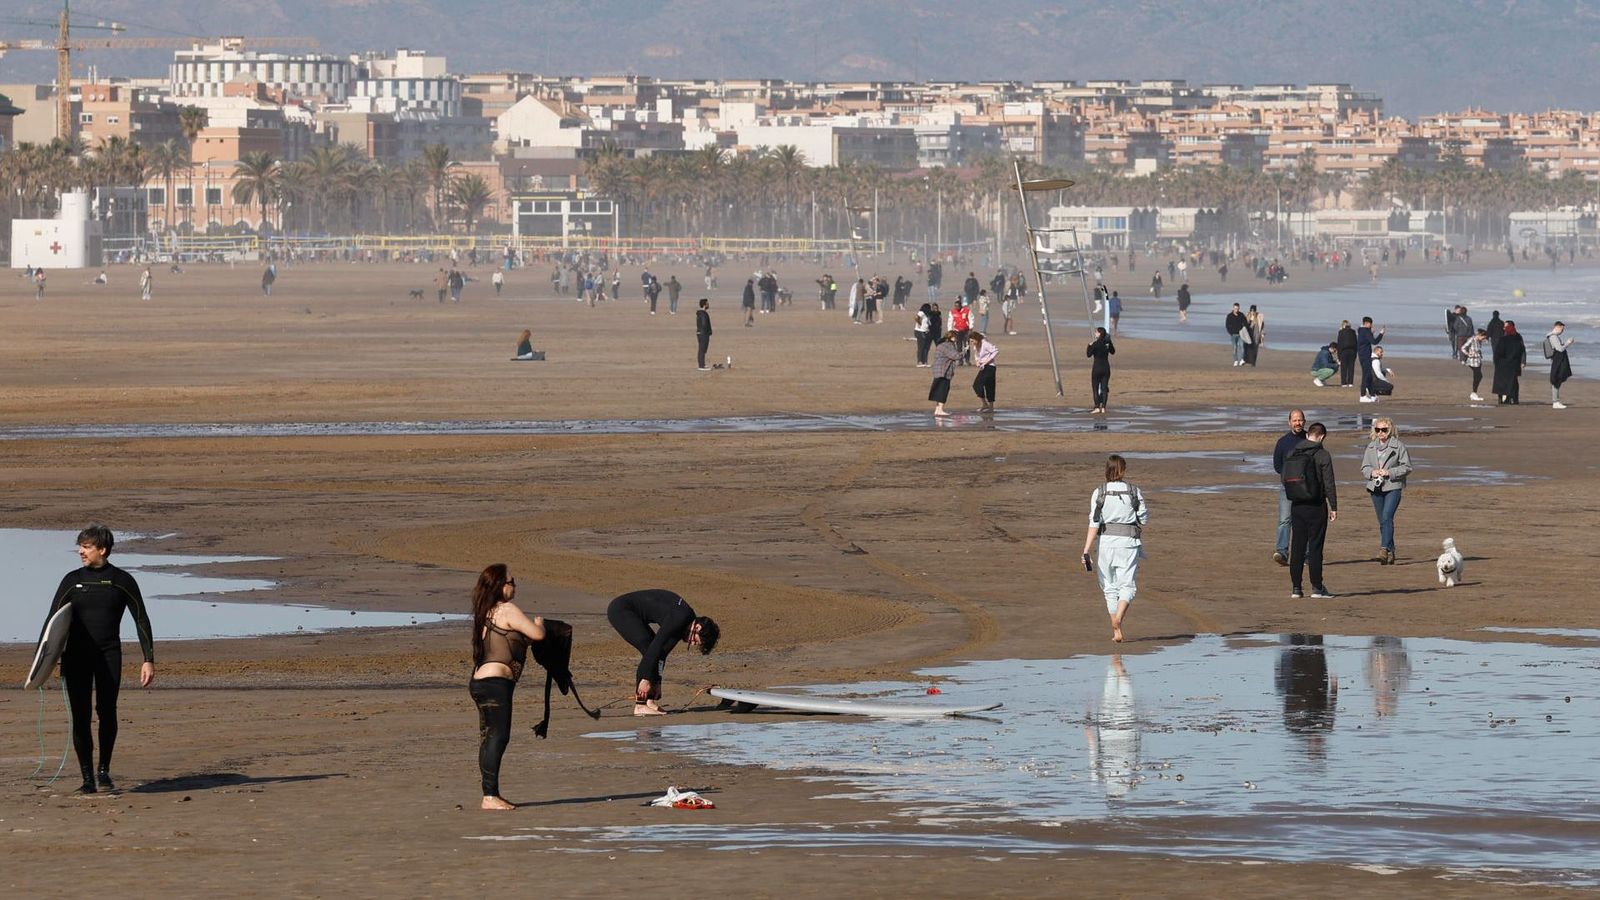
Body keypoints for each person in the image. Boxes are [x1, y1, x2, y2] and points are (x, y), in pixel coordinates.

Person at [39, 525, 155, 794]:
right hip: (76, 657)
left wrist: (148, 659)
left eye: (86, 547)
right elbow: (51, 622)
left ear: (102, 550)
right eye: (80, 546)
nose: (80, 551)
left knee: (107, 712)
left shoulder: (122, 580)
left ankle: (104, 770)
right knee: (80, 717)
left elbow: (141, 619)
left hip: (108, 655)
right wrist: (42, 663)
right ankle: (87, 778)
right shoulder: (71, 580)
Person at [468, 564, 546, 810]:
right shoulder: (507, 609)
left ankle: (489, 793)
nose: (515, 586)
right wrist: (540, 624)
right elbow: (537, 634)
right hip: (495, 684)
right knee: (498, 737)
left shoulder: (485, 612)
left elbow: (517, 639)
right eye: (512, 582)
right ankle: (489, 796)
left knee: (488, 737)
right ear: (500, 585)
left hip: (479, 682)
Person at [606, 589, 719, 716]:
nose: (692, 643)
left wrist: (657, 683)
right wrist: (646, 680)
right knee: (648, 647)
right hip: (621, 610)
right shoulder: (680, 618)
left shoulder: (683, 624)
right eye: (695, 641)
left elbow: (662, 654)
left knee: (653, 649)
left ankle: (649, 701)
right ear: (697, 628)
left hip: (634, 613)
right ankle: (640, 705)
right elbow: (655, 648)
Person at [1082, 454, 1149, 643]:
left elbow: (1094, 523)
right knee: (1127, 585)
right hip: (1128, 544)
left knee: (1109, 588)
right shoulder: (1134, 491)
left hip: (1105, 545)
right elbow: (1144, 519)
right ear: (1123, 470)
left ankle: (1116, 629)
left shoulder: (1099, 492)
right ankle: (1118, 619)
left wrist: (1086, 550)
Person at [1283, 422, 1338, 599]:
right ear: (1321, 437)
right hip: (1316, 505)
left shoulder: (1292, 452)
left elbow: (1285, 479)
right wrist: (1334, 506)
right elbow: (1329, 483)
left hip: (1297, 505)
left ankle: (1296, 588)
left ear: (1308, 435)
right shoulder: (1323, 454)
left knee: (1297, 547)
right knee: (1315, 547)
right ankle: (1317, 587)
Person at [1360, 417, 1411, 566]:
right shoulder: (1370, 447)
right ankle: (1391, 550)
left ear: (1390, 430)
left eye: (1384, 429)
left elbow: (1407, 467)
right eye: (1377, 429)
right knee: (1382, 521)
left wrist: (1389, 472)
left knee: (1387, 516)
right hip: (1375, 487)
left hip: (1393, 486)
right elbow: (1364, 468)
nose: (1380, 432)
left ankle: (1383, 550)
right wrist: (1373, 472)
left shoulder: (1398, 446)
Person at [1272, 408, 1309, 567]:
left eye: (1300, 420)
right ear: (1289, 422)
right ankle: (1282, 551)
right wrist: (1289, 477)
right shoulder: (1282, 442)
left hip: (1307, 488)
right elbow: (1277, 465)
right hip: (1287, 487)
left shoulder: (1310, 439)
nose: (1297, 423)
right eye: (1294, 420)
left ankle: (1307, 554)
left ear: (1304, 421)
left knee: (1305, 521)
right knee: (1284, 520)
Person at [928, 331, 961, 417]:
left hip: (938, 370)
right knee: (943, 390)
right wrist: (962, 353)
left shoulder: (941, 345)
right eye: (955, 337)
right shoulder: (948, 345)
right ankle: (940, 410)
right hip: (944, 371)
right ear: (951, 338)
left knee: (938, 390)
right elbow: (955, 356)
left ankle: (937, 409)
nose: (956, 339)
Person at [1493, 320, 1526, 404]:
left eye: (1505, 327)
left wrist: (1496, 362)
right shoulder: (1517, 339)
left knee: (1503, 382)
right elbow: (1521, 350)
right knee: (1513, 382)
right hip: (1513, 364)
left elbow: (1498, 353)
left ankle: (1504, 399)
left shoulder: (1503, 339)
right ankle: (1513, 399)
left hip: (1502, 364)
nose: (1503, 328)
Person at [1546, 321, 1575, 409]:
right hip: (1557, 361)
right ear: (1557, 327)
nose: (1562, 331)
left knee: (1557, 379)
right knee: (1556, 379)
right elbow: (1560, 349)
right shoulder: (1553, 337)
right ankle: (1556, 402)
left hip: (1557, 360)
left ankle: (1556, 401)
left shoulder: (1553, 336)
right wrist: (1568, 343)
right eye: (1562, 329)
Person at [1086, 326, 1115, 414]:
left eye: (1096, 332)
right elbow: (1113, 352)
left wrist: (1089, 346)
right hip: (1106, 368)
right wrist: (1109, 342)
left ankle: (1097, 407)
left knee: (1095, 388)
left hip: (1097, 368)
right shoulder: (1107, 344)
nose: (1095, 333)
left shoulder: (1095, 344)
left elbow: (1088, 354)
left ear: (1099, 334)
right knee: (1104, 388)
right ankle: (1103, 408)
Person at [1357, 316, 1385, 402]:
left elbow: (1367, 340)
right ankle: (1362, 396)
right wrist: (1381, 334)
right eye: (1370, 324)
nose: (1371, 325)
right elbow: (1374, 342)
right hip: (1365, 355)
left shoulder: (1361, 330)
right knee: (1366, 375)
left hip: (1362, 354)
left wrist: (1371, 332)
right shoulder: (1365, 331)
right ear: (1366, 323)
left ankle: (1373, 395)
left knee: (1368, 375)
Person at [971, 331, 998, 411]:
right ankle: (985, 404)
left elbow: (995, 351)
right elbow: (976, 354)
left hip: (990, 367)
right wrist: (977, 361)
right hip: (983, 367)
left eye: (972, 341)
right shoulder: (976, 345)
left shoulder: (985, 344)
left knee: (989, 385)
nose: (972, 343)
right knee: (976, 385)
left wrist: (988, 361)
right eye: (970, 341)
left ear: (976, 339)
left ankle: (990, 406)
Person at [1462, 328, 1489, 401]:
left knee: (1478, 376)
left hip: (1478, 361)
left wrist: (1485, 339)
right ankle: (1473, 393)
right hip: (1472, 361)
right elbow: (1463, 348)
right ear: (1480, 335)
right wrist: (1468, 354)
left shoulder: (1479, 341)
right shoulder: (1472, 339)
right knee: (1478, 375)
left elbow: (1485, 340)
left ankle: (1474, 393)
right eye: (1483, 338)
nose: (1483, 339)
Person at [1336, 319, 1358, 387]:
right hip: (1352, 351)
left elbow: (1339, 344)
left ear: (1343, 325)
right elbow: (1356, 343)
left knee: (1344, 368)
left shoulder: (1341, 332)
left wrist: (1339, 356)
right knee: (1351, 367)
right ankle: (1350, 383)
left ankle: (1344, 383)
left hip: (1344, 351)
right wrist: (1355, 354)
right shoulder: (1353, 332)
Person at [914, 303, 934, 367]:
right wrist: (920, 324)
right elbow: (916, 318)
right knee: (921, 347)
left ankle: (924, 361)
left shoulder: (927, 314)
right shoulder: (921, 312)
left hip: (926, 331)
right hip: (920, 331)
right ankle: (919, 362)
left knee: (926, 347)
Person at [695, 298, 713, 371]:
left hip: (702, 333)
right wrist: (707, 332)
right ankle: (701, 366)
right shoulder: (702, 314)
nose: (708, 305)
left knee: (703, 349)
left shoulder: (701, 313)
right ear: (704, 305)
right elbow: (704, 324)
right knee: (702, 349)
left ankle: (702, 364)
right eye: (707, 303)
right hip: (703, 333)